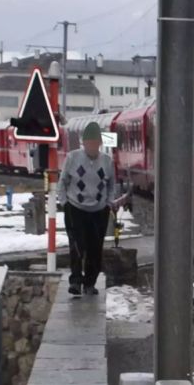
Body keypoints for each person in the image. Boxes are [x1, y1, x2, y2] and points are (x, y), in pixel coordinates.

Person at [59, 122, 118, 296]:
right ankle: (76, 281)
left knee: (95, 248)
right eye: (88, 143)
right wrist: (64, 202)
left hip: (99, 210)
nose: (91, 147)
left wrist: (109, 202)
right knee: (77, 245)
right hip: (75, 208)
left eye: (95, 143)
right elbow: (63, 182)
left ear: (100, 143)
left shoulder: (107, 161)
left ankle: (90, 283)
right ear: (83, 143)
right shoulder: (72, 158)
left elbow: (112, 184)